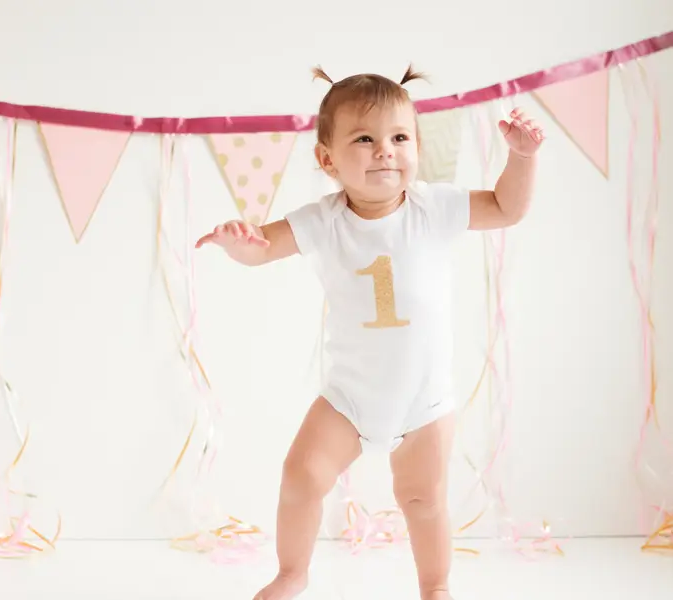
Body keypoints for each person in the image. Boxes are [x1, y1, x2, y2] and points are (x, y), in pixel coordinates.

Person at [195, 65, 544, 600]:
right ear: (327, 159)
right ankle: (292, 572)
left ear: (417, 147)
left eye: (400, 137)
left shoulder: (433, 208)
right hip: (348, 399)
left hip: (423, 403)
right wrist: (237, 239)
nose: (386, 150)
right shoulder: (324, 219)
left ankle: (436, 586)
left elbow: (505, 208)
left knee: (423, 500)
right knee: (301, 478)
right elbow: (262, 249)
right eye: (365, 138)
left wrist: (521, 157)